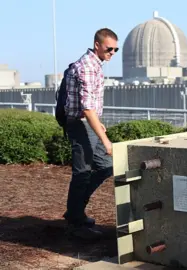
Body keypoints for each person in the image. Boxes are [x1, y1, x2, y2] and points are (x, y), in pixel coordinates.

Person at [62, 28, 119, 240]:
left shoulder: (96, 65)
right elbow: (86, 108)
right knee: (82, 173)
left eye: (116, 49)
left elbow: (91, 106)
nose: (112, 52)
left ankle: (75, 211)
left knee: (105, 166)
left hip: (89, 124)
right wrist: (106, 141)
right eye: (109, 48)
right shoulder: (87, 66)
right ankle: (75, 223)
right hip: (80, 124)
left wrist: (99, 126)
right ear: (97, 45)